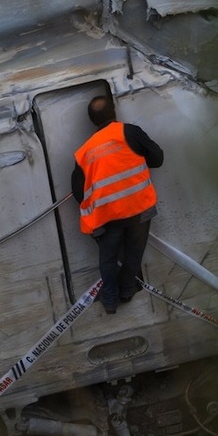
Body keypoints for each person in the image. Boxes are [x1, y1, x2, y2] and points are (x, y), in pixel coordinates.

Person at [72, 95, 164, 314]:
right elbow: (157, 158)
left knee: (108, 258)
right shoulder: (129, 132)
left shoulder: (84, 152)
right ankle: (127, 290)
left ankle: (110, 300)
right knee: (134, 252)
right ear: (114, 112)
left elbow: (78, 191)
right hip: (138, 207)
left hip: (108, 215)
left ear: (92, 120)